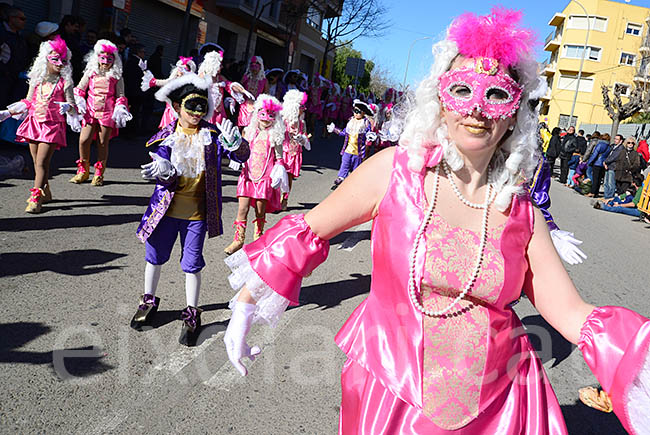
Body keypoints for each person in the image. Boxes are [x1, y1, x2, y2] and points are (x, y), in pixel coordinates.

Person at [221, 8, 650, 434]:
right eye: (462, 90)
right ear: (441, 101)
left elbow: (574, 314)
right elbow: (309, 230)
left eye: (496, 95)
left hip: (500, 410)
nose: (476, 110)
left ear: (515, 111)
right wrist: (244, 305)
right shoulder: (395, 172)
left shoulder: (522, 214)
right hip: (393, 397)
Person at [132, 73, 250, 346]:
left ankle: (191, 312)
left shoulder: (212, 135)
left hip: (196, 216)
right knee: (155, 257)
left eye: (201, 107)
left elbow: (241, 156)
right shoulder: (164, 137)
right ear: (176, 108)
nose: (197, 112)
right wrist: (164, 171)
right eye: (191, 106)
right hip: (164, 214)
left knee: (192, 264)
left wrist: (237, 145)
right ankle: (148, 300)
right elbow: (161, 170)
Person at [0, 36, 80, 213]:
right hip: (34, 123)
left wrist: (69, 107)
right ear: (46, 59)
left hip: (52, 126)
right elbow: (28, 102)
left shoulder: (65, 83)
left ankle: (36, 198)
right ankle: (46, 190)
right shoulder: (37, 80)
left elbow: (74, 108)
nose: (60, 63)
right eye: (55, 59)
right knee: (37, 162)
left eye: (63, 60)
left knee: (42, 162)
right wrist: (9, 112)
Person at [223, 94, 288, 255]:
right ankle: (238, 239)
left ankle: (258, 238)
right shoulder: (249, 132)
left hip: (264, 179)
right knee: (242, 209)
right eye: (263, 114)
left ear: (275, 118)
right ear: (257, 114)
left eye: (270, 115)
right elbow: (240, 149)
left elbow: (279, 158)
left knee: (260, 211)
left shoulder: (275, 136)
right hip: (248, 176)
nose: (266, 118)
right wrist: (236, 154)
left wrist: (279, 169)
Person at [70, 39, 132, 186]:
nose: (105, 62)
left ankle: (99, 173)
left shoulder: (117, 77)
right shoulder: (90, 73)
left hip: (107, 113)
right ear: (97, 57)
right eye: (102, 58)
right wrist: (79, 102)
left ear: (114, 60)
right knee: (83, 140)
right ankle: (83, 171)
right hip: (90, 112)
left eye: (109, 59)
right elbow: (79, 89)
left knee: (102, 143)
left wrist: (120, 108)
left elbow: (120, 95)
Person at [326, 99, 374, 189]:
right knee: (345, 164)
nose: (356, 113)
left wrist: (370, 136)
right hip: (347, 149)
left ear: (363, 113)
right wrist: (334, 129)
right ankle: (341, 178)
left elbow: (368, 134)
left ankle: (354, 183)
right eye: (354, 111)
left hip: (358, 152)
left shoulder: (365, 123)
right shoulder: (351, 121)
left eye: (358, 111)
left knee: (355, 169)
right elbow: (343, 133)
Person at [141, 56, 197, 129]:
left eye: (184, 69)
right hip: (171, 111)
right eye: (180, 69)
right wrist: (146, 71)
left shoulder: (190, 84)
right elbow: (166, 82)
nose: (181, 71)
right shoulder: (173, 82)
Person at [280, 89, 311, 210]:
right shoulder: (284, 120)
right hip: (283, 151)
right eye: (301, 106)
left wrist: (303, 138)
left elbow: (306, 138)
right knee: (280, 175)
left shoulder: (302, 123)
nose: (303, 109)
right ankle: (276, 199)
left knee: (289, 177)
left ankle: (285, 199)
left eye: (303, 107)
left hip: (295, 153)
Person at [237, 56, 268, 128]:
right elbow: (238, 89)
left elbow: (266, 95)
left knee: (253, 128)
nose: (254, 70)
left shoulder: (264, 81)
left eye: (256, 66)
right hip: (244, 106)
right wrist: (242, 81)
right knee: (242, 127)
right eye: (252, 66)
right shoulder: (246, 77)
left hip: (257, 107)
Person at [586, 133, 611, 198]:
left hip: (597, 163)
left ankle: (592, 192)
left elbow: (595, 154)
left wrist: (589, 162)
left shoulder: (600, 144)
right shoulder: (609, 146)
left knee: (595, 178)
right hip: (603, 164)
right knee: (599, 179)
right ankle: (596, 192)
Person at [603, 134, 624, 199]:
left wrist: (605, 162)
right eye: (615, 139)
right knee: (605, 183)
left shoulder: (620, 148)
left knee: (611, 183)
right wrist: (605, 163)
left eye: (617, 139)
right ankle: (606, 196)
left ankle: (609, 197)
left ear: (621, 141)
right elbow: (608, 155)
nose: (615, 140)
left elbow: (614, 157)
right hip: (608, 166)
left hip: (613, 167)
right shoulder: (613, 146)